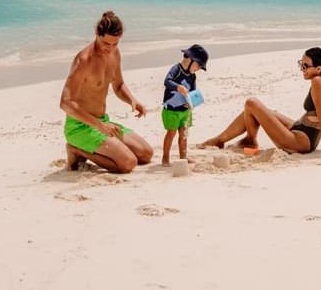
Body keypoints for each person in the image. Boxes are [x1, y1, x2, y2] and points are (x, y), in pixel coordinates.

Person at [198, 47, 321, 161]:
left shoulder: (318, 82)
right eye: (300, 64)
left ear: (318, 68)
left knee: (251, 102)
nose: (302, 69)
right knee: (265, 111)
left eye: (305, 66)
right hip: (303, 131)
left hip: (301, 141)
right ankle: (225, 139)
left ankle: (247, 140)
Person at [60, 10, 153, 173]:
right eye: (106, 44)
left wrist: (132, 100)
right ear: (97, 34)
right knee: (128, 163)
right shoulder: (84, 60)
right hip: (80, 127)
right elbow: (65, 103)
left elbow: (118, 85)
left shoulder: (114, 54)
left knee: (146, 154)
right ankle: (76, 149)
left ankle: (104, 147)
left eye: (114, 44)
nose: (109, 49)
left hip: (104, 122)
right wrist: (99, 125)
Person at [161, 44, 209, 167]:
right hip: (172, 110)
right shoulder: (176, 69)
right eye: (198, 65)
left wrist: (193, 101)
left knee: (184, 134)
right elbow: (167, 81)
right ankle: (165, 157)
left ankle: (183, 156)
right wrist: (178, 87)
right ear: (189, 59)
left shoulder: (192, 76)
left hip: (185, 109)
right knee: (171, 133)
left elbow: (193, 91)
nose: (198, 69)